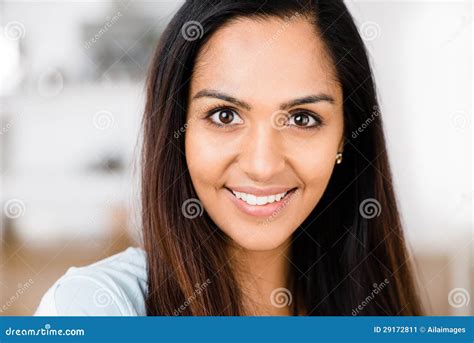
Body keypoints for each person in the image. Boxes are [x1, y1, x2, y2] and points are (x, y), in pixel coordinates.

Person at [36, 0, 423, 316]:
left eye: (302, 119)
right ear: (178, 130)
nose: (262, 164)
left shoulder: (378, 310)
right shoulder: (94, 308)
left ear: (345, 135)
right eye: (225, 115)